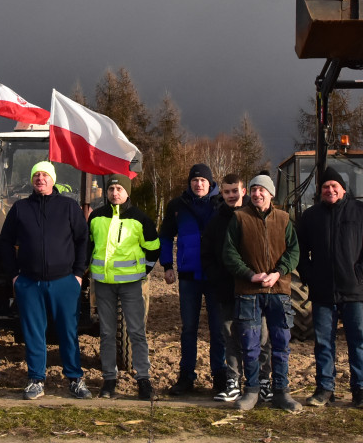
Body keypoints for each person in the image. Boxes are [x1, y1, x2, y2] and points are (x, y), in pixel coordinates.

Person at [0, 161, 92, 401]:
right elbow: (5, 243)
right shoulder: (20, 208)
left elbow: (83, 240)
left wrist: (78, 274)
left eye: (45, 175)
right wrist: (14, 275)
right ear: (32, 180)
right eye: (36, 175)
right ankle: (36, 379)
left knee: (68, 331)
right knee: (33, 332)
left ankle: (74, 378)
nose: (40, 178)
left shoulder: (69, 207)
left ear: (53, 179)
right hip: (29, 282)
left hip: (64, 282)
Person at [297, 166, 363, 409]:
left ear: (343, 189)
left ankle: (361, 390)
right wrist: (309, 275)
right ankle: (325, 388)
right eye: (325, 187)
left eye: (334, 186)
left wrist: (361, 273)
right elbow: (300, 250)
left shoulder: (362, 212)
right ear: (320, 191)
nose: (330, 190)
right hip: (323, 291)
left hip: (354, 291)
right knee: (324, 342)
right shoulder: (311, 216)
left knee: (358, 341)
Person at [223, 174, 302, 412]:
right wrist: (250, 275)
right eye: (254, 189)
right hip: (249, 291)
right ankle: (252, 391)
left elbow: (294, 251)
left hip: (279, 290)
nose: (258, 194)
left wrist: (278, 272)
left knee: (280, 342)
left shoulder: (284, 219)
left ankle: (281, 392)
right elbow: (229, 253)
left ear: (271, 194)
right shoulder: (239, 218)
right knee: (250, 343)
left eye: (262, 190)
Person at [87, 174, 159, 401]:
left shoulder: (140, 219)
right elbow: (89, 246)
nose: (115, 193)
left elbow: (154, 248)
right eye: (111, 189)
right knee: (107, 333)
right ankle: (109, 380)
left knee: (136, 332)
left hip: (131, 286)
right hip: (104, 285)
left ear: (127, 192)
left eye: (119, 189)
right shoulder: (96, 217)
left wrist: (143, 272)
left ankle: (143, 379)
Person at [201, 172, 271, 403]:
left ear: (243, 191)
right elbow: (207, 255)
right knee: (230, 335)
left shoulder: (255, 216)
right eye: (226, 191)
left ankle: (263, 382)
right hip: (226, 289)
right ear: (222, 193)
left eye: (235, 191)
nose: (231, 195)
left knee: (260, 337)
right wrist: (217, 279)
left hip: (254, 290)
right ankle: (233, 381)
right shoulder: (215, 221)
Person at [159, 163, 224, 396]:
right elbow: (165, 236)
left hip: (216, 276)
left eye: (203, 181)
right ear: (190, 183)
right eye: (195, 180)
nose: (198, 184)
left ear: (210, 183)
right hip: (188, 276)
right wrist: (167, 266)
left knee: (218, 329)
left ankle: (220, 377)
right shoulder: (178, 206)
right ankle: (186, 376)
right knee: (188, 328)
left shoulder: (221, 204)